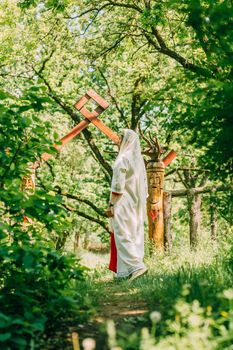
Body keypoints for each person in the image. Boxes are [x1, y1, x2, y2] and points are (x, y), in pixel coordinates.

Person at [106, 129, 148, 281]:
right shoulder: (138, 162)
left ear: (126, 141)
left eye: (120, 138)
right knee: (133, 234)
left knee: (122, 235)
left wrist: (111, 204)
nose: (117, 141)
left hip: (122, 203)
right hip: (135, 203)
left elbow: (118, 186)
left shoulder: (122, 158)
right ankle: (124, 273)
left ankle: (137, 266)